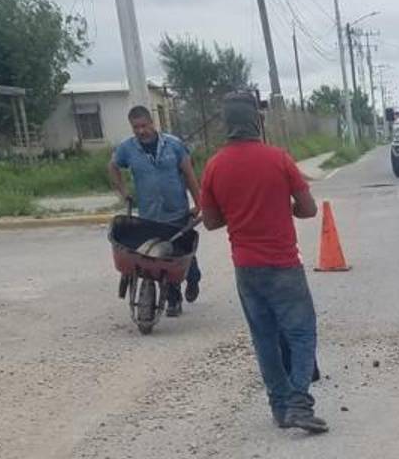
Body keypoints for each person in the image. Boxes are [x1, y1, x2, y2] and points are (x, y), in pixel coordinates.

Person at [200, 92, 327, 434]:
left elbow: (210, 221)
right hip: (283, 264)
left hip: (246, 268)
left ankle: (280, 407)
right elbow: (309, 208)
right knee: (301, 333)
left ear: (227, 126)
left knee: (265, 338)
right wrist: (283, 208)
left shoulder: (214, 166)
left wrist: (240, 213)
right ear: (257, 121)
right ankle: (300, 403)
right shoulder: (278, 159)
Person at [108, 105, 202, 316]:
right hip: (150, 215)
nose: (141, 131)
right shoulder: (127, 149)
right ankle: (172, 300)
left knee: (182, 257)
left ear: (152, 123)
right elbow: (112, 166)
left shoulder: (174, 145)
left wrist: (199, 202)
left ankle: (194, 280)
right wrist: (123, 192)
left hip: (177, 211)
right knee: (159, 261)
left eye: (144, 125)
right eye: (136, 128)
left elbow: (189, 175)